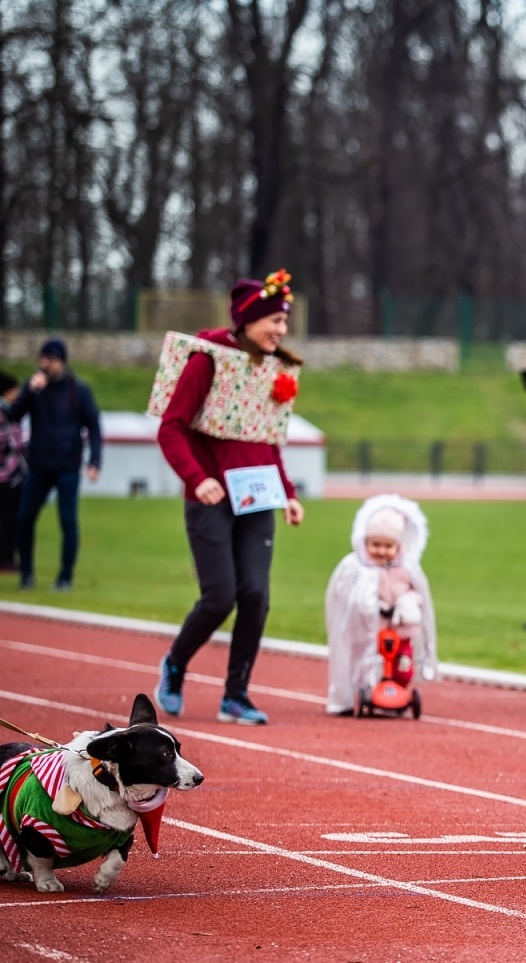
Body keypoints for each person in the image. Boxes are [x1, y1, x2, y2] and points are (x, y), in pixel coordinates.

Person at [153, 273, 306, 726]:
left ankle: (235, 695)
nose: (280, 330)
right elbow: (171, 427)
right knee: (219, 597)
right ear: (247, 320)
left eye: (284, 322)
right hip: (211, 498)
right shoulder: (209, 362)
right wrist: (198, 479)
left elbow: (267, 440)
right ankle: (176, 663)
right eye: (273, 321)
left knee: (255, 595)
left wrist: (289, 494)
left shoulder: (271, 370)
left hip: (257, 498)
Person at [2, 338, 102, 590]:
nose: (45, 365)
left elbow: (94, 426)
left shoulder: (78, 391)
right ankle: (26, 573)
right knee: (25, 518)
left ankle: (65, 577)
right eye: (43, 359)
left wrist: (95, 461)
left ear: (61, 361)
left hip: (67, 465)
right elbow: (14, 415)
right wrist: (29, 391)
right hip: (39, 466)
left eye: (50, 360)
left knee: (67, 521)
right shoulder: (35, 388)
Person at [325, 495, 437, 716]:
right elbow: (348, 599)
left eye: (388, 546)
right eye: (375, 545)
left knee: (403, 666)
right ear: (364, 543)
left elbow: (417, 593)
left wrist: (408, 603)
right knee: (369, 662)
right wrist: (369, 606)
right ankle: (366, 690)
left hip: (400, 631)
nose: (381, 551)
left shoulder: (406, 570)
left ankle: (398, 691)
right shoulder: (357, 569)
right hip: (371, 631)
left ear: (399, 547)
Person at [0, 372, 23, 572]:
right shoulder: (3, 413)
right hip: (5, 476)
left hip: (10, 476)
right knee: (6, 520)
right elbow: (9, 443)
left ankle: (8, 558)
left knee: (10, 519)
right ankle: (5, 559)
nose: (17, 394)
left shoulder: (10, 412)